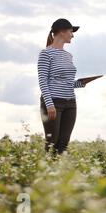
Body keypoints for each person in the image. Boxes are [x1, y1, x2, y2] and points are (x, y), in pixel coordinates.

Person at [37, 18, 87, 155]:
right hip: (54, 102)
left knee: (63, 143)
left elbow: (68, 82)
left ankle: (59, 174)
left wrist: (81, 83)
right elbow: (42, 80)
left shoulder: (68, 56)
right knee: (52, 142)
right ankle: (47, 174)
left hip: (70, 103)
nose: (72, 35)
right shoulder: (46, 53)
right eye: (71, 31)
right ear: (62, 32)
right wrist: (49, 104)